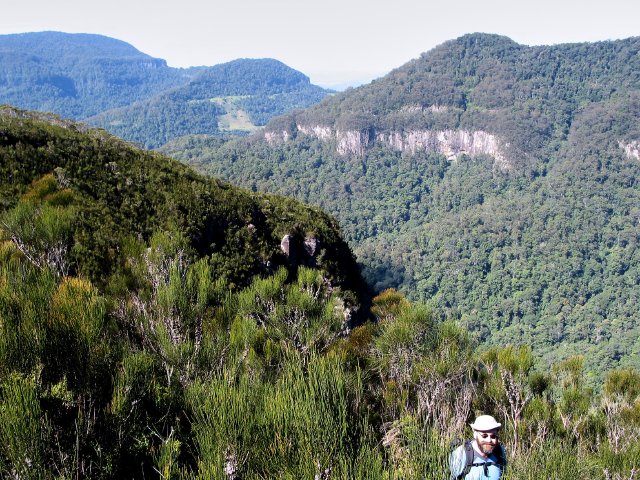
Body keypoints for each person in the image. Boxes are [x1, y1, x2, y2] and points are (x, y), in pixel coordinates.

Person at [449, 415, 506, 479]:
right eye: (484, 436)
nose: (489, 440)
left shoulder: (500, 452)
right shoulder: (461, 453)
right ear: (475, 435)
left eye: (493, 436)